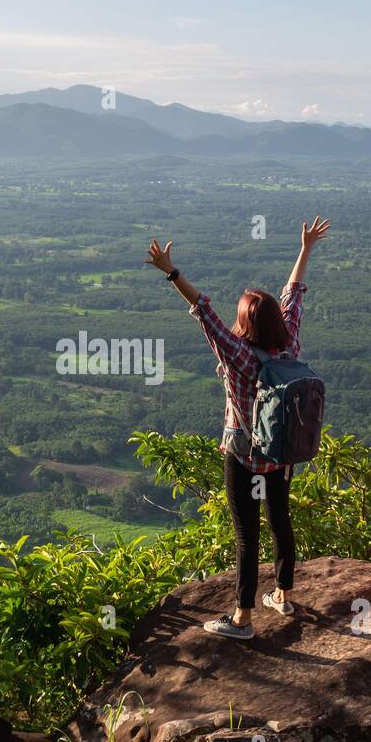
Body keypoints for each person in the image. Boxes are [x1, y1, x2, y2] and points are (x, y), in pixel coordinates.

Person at [144, 216, 331, 639]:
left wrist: (171, 272)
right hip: (282, 455)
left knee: (247, 534)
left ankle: (243, 619)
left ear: (245, 322)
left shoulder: (238, 354)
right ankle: (282, 595)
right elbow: (293, 295)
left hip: (245, 457)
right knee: (280, 521)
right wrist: (305, 249)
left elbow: (203, 311)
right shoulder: (290, 343)